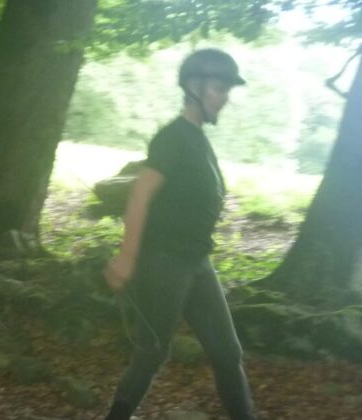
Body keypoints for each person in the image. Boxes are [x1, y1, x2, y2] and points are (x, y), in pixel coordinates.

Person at [102, 49, 256, 420]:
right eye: (219, 88)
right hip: (164, 262)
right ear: (193, 86)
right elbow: (139, 196)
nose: (225, 97)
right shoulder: (172, 138)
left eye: (226, 90)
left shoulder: (199, 139)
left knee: (227, 353)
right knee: (152, 351)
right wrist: (127, 257)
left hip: (197, 261)